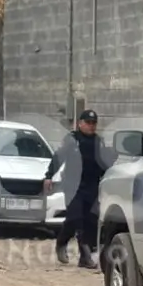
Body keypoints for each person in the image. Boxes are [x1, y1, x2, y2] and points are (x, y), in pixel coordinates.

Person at [44, 109, 113, 269]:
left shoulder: (98, 141)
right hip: (73, 186)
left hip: (92, 186)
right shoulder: (71, 139)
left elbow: (103, 163)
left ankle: (84, 257)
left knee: (90, 221)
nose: (91, 126)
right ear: (80, 123)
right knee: (76, 218)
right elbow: (58, 157)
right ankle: (62, 243)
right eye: (88, 123)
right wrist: (49, 175)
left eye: (93, 123)